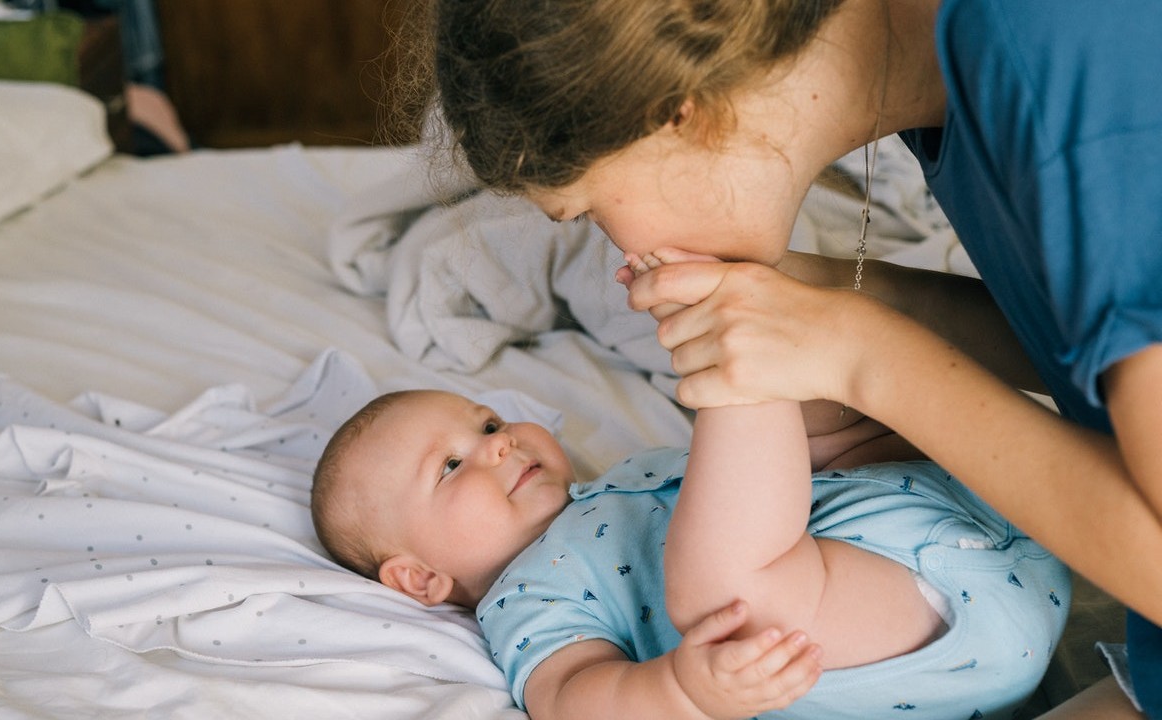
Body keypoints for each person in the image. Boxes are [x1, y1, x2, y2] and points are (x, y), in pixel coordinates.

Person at [406, 0, 1162, 715]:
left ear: (675, 114)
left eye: (590, 211)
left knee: (731, 599)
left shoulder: (1059, 69)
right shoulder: (947, 72)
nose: (620, 245)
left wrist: (859, 353)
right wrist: (835, 302)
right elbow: (1080, 338)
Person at [310, 375, 1069, 719]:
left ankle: (790, 356)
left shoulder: (624, 476)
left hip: (998, 521)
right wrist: (684, 693)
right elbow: (572, 700)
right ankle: (747, 371)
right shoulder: (524, 598)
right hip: (914, 631)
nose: (499, 444)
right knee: (733, 595)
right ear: (420, 579)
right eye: (451, 467)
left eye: (486, 424)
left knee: (812, 423)